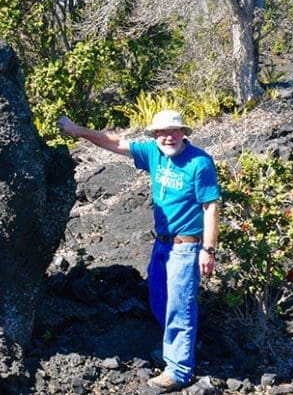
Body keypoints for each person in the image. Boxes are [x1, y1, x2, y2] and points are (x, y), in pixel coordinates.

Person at [57, 110, 220, 393]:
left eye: (173, 131)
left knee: (179, 306)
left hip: (187, 245)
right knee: (159, 298)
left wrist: (208, 249)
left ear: (184, 133)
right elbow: (114, 142)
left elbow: (211, 206)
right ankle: (181, 347)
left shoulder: (199, 163)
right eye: (161, 132)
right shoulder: (153, 153)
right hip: (162, 243)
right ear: (154, 136)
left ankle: (179, 370)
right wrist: (78, 130)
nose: (167, 137)